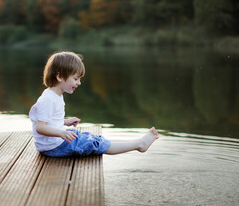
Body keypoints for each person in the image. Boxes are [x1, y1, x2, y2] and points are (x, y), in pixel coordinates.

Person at [29, 51, 159, 157]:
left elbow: (49, 120)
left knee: (91, 137)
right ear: (59, 77)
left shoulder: (54, 95)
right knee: (96, 144)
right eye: (75, 79)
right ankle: (139, 145)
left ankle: (137, 143)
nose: (78, 83)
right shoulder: (48, 99)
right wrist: (61, 133)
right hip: (55, 147)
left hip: (55, 144)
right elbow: (40, 127)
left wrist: (65, 122)